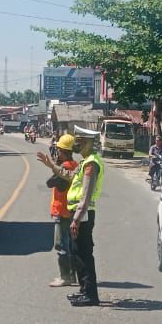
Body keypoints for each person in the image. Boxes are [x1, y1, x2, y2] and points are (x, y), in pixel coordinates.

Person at [65, 127, 104, 306]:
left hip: (83, 213)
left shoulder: (91, 164)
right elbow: (70, 176)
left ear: (89, 143)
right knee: (78, 252)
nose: (77, 144)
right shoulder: (86, 161)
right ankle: (84, 290)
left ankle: (90, 294)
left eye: (80, 141)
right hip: (79, 212)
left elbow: (86, 195)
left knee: (84, 254)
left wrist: (77, 219)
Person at [36, 134, 78, 288]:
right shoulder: (74, 165)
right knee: (71, 246)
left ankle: (64, 277)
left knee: (61, 246)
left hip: (62, 211)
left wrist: (55, 165)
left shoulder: (65, 167)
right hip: (71, 211)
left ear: (62, 151)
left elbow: (50, 182)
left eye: (58, 150)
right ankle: (72, 276)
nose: (57, 152)